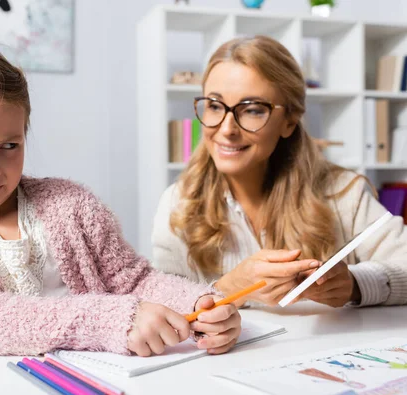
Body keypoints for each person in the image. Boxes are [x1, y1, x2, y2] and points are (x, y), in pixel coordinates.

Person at [0, 43, 242, 361]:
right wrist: (112, 320)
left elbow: (133, 280)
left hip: (103, 380)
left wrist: (199, 303)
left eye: (9, 146)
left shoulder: (70, 202)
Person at [152, 36, 407, 308]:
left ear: (289, 121)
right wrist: (227, 289)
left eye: (251, 110)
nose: (227, 129)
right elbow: (162, 304)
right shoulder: (179, 203)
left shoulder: (343, 192)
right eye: (215, 106)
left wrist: (356, 285)